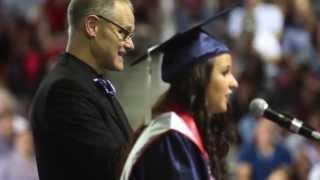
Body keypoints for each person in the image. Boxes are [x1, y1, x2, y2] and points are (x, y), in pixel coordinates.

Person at [120, 11, 239, 180]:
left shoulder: (182, 134)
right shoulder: (172, 138)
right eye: (225, 72)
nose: (234, 82)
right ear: (198, 81)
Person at [30, 0, 135, 179]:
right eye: (122, 32)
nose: (130, 44)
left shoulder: (88, 83)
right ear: (92, 26)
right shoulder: (64, 91)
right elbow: (112, 169)